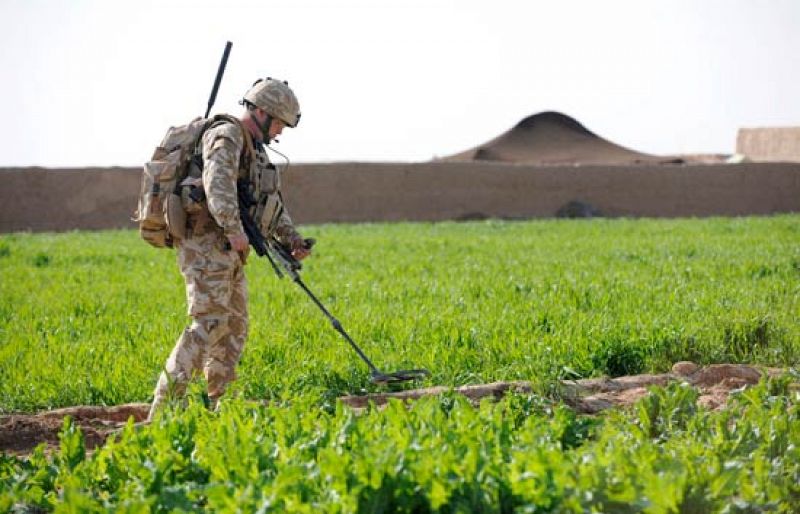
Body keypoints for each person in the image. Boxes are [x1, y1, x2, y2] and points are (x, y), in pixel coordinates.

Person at [148, 78, 310, 421]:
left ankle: (221, 403)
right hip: (206, 243)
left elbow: (268, 204)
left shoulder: (256, 149)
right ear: (262, 112)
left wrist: (291, 239)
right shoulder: (227, 135)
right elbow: (216, 183)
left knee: (234, 326)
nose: (280, 131)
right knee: (207, 323)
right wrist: (234, 230)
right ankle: (164, 409)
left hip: (229, 248)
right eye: (279, 122)